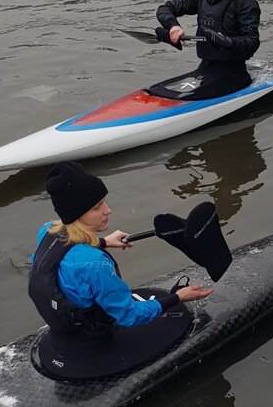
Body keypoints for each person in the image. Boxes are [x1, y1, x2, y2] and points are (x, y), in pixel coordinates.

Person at [29, 161, 213, 379]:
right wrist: (177, 298)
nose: (108, 210)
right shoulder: (96, 264)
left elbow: (68, 258)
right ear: (78, 214)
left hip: (63, 333)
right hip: (94, 344)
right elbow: (129, 316)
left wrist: (104, 242)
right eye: (97, 207)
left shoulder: (48, 231)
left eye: (104, 202)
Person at [153, 0, 261, 101]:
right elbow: (164, 9)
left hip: (235, 74)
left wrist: (229, 42)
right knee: (158, 91)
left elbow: (252, 42)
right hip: (206, 69)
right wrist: (173, 27)